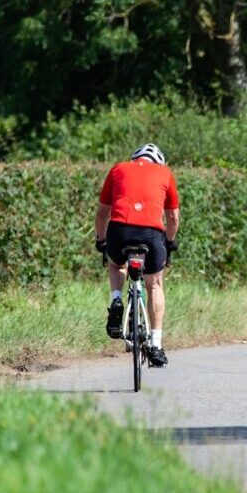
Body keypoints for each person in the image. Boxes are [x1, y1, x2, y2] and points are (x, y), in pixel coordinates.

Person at [94, 143, 180, 367]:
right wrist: (170, 243)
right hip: (152, 234)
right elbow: (173, 218)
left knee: (116, 264)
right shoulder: (165, 173)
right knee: (155, 284)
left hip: (120, 230)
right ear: (159, 162)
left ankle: (116, 300)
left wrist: (101, 240)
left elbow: (102, 213)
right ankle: (156, 345)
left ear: (135, 159)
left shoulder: (118, 169)